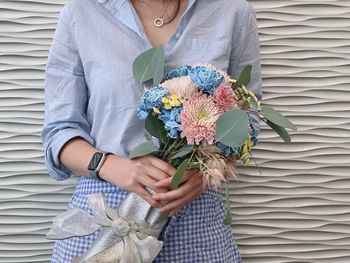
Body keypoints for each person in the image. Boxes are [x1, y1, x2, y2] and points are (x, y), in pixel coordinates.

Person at [41, 0, 262, 262]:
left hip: (196, 221)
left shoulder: (232, 11)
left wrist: (205, 174)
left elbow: (246, 120)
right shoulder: (81, 12)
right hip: (104, 219)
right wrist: (113, 166)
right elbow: (59, 133)